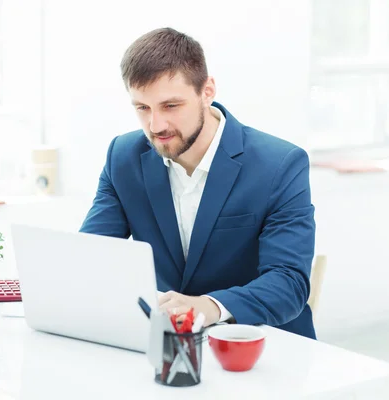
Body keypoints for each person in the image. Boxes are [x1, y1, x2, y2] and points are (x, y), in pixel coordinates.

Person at [79, 27, 317, 339]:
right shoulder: (123, 157)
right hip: (168, 348)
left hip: (262, 345)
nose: (156, 125)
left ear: (207, 91)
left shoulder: (280, 164)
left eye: (171, 106)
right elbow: (89, 258)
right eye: (142, 108)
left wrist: (210, 306)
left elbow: (289, 283)